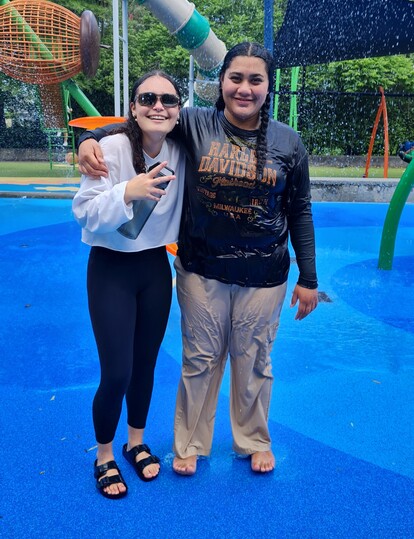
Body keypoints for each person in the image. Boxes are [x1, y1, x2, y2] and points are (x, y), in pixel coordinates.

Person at [77, 42, 318, 477]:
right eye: (236, 78)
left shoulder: (288, 141)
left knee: (253, 361)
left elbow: (300, 209)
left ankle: (253, 439)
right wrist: (87, 139)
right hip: (200, 268)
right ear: (221, 83)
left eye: (256, 80)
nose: (244, 88)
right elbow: (139, 122)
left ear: (268, 86)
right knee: (198, 360)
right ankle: (185, 443)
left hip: (264, 273)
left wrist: (309, 277)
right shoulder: (194, 123)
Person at [72, 70, 185, 498]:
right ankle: (103, 455)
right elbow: (84, 211)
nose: (158, 106)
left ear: (178, 111)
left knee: (145, 366)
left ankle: (135, 442)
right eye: (148, 98)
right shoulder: (111, 148)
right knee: (117, 371)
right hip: (111, 269)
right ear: (133, 109)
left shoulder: (182, 148)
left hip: (154, 268)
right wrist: (127, 191)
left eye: (168, 100)